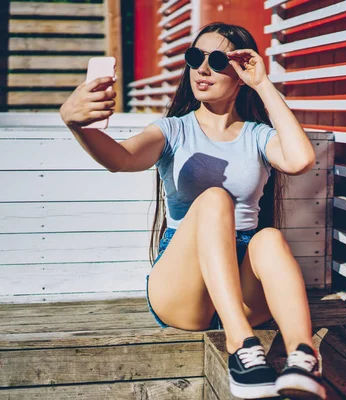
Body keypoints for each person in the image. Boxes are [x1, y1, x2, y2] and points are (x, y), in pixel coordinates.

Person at [59, 22, 326, 400]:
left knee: (268, 237)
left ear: (239, 73)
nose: (201, 69)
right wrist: (76, 124)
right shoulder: (173, 131)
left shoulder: (255, 134)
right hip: (184, 291)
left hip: (246, 287)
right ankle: (240, 345)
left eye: (216, 60)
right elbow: (120, 158)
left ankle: (303, 356)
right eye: (194, 57)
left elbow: (300, 160)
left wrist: (263, 85)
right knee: (216, 200)